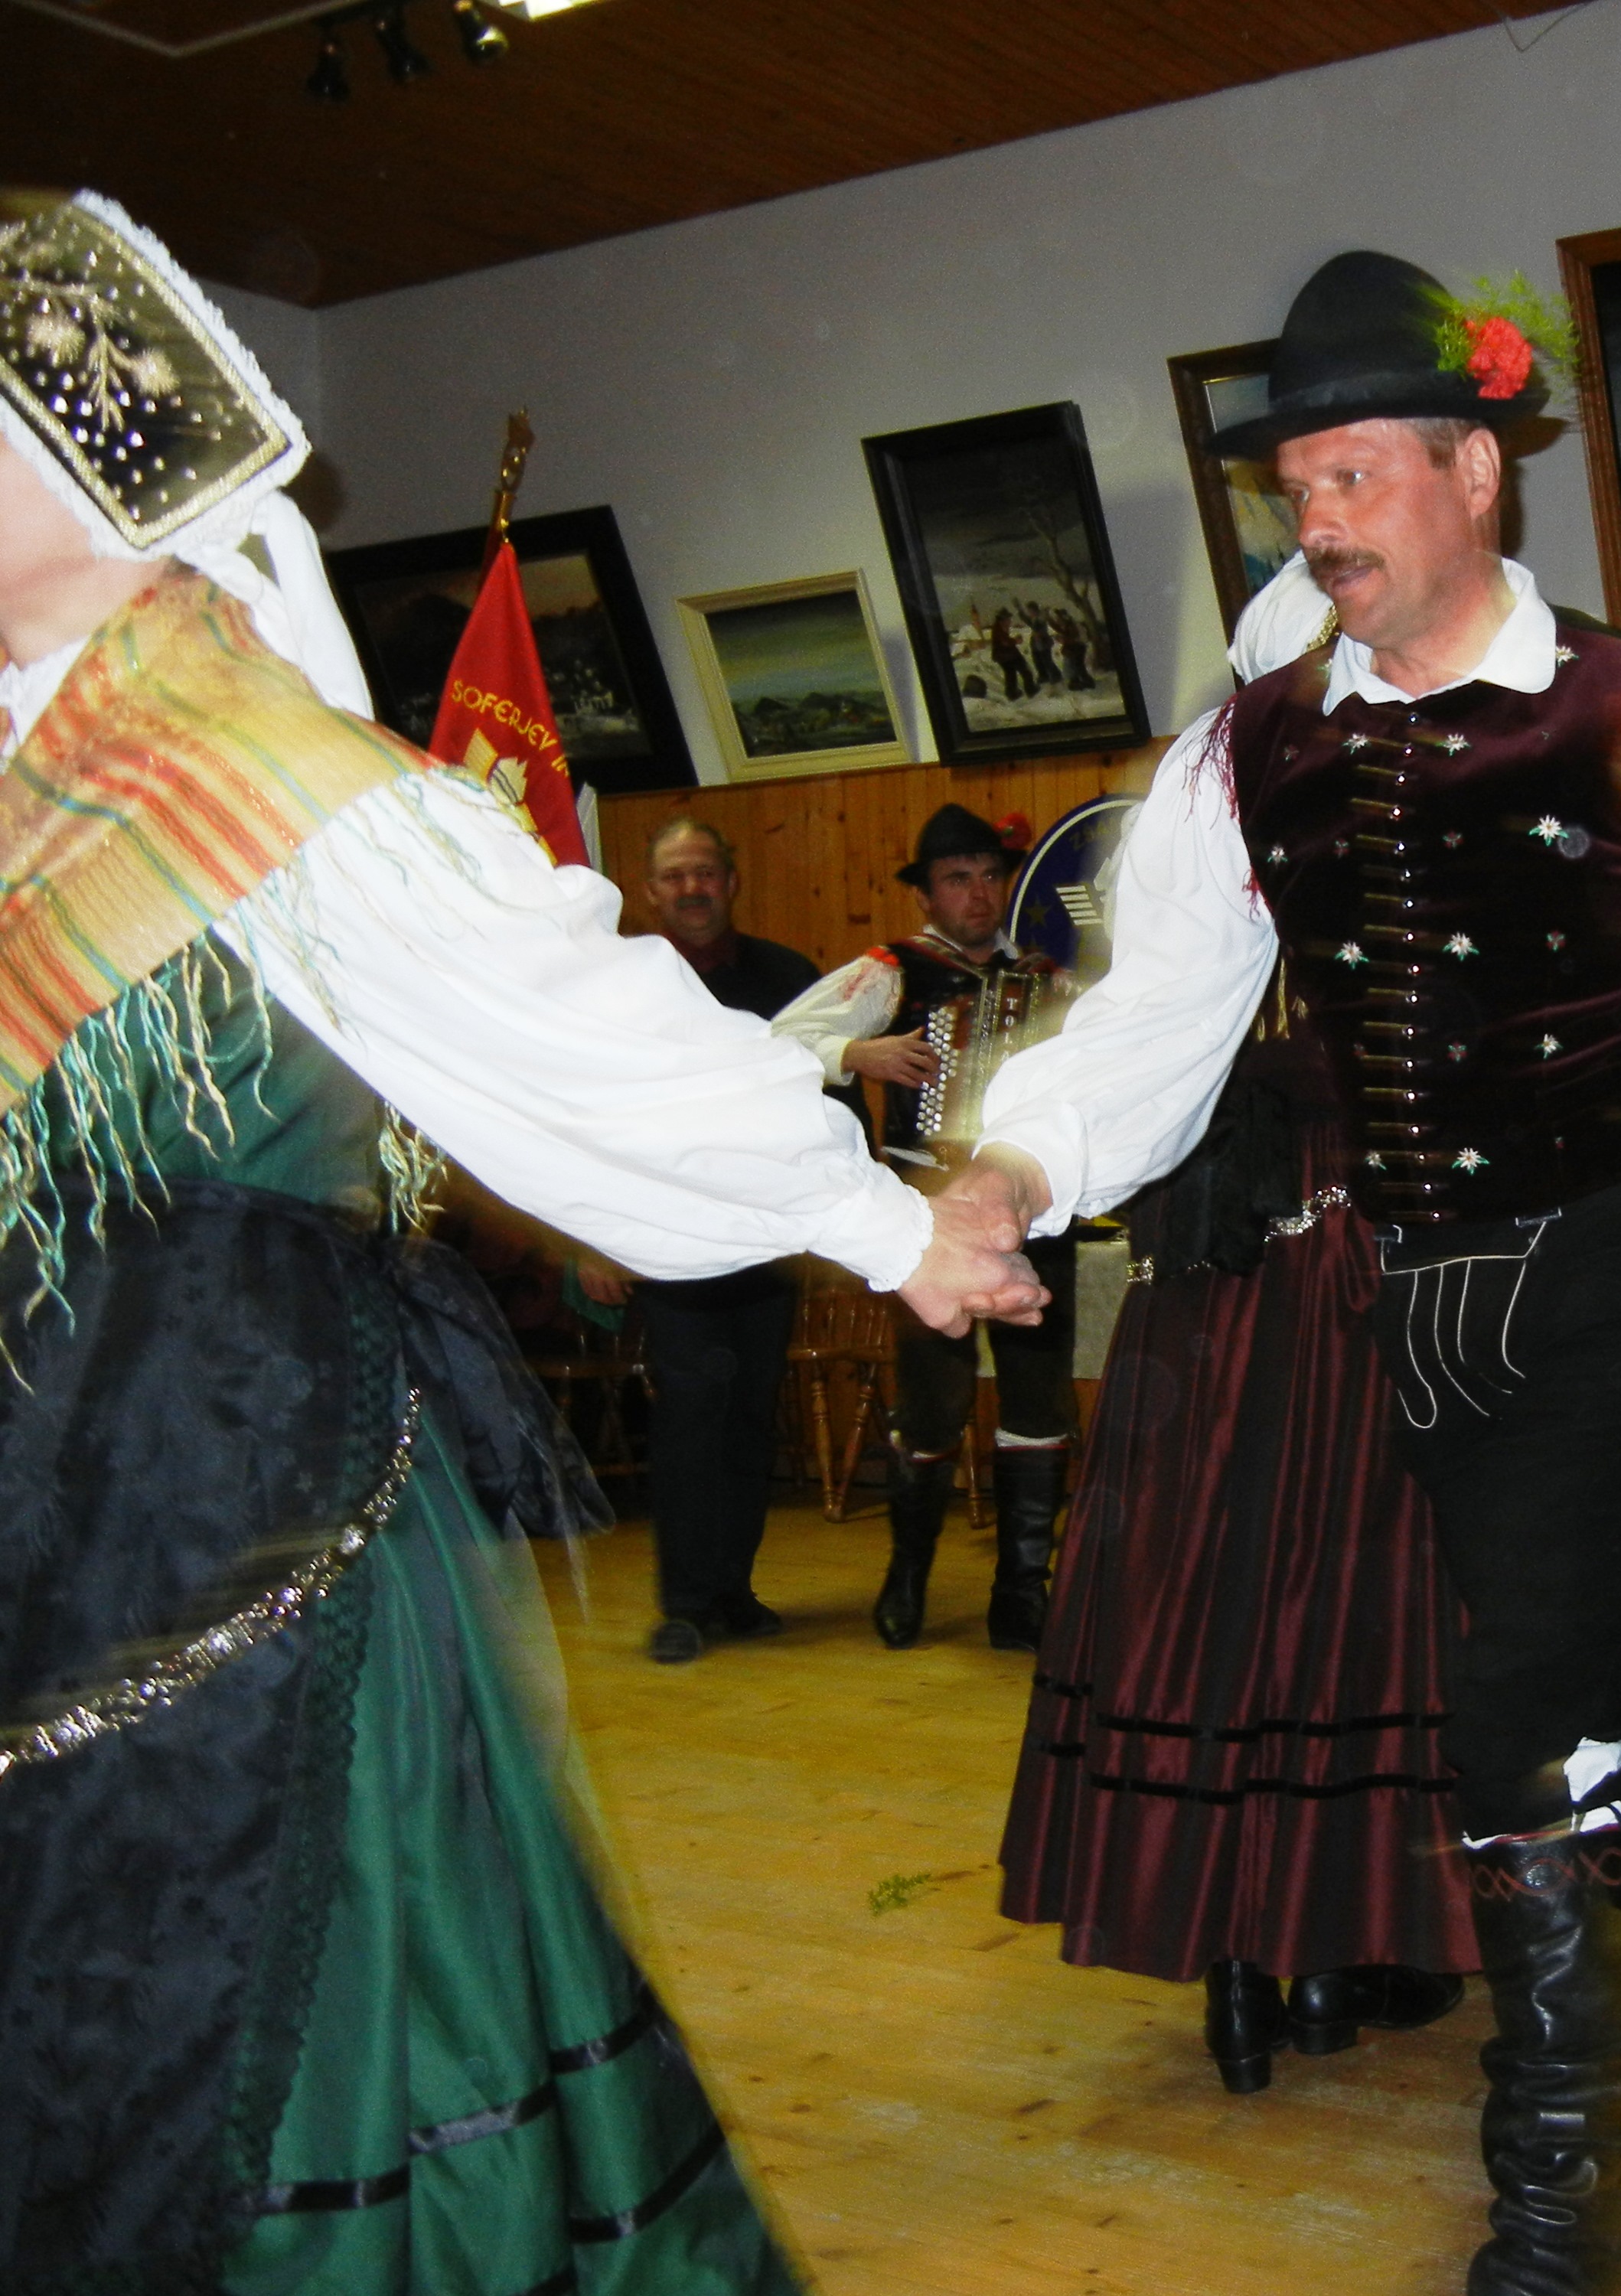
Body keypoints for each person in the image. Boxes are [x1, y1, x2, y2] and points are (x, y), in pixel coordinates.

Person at [0, 188, 1031, 2296]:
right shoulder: (41, 758)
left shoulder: (251, 770)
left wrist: (871, 1219)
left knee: (275, 1996)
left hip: (230, 1500)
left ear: (95, 464)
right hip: (52, 1506)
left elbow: (562, 1015)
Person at [961, 249, 1621, 2294]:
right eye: (1297, 488)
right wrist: (1017, 1163)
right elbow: (1159, 1017)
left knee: (1511, 1719)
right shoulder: (1247, 753)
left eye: (1356, 476)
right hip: (1423, 1289)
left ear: (1474, 471)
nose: (1320, 522)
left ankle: (1552, 2213)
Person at [1000, 530, 1621, 2098]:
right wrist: (1013, 1169)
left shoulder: (1586, 728)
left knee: (1498, 1689)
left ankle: (1537, 2145)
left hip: (1535, 1265)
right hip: (1357, 1284)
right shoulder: (1244, 786)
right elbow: (1150, 1023)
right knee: (1557, 1663)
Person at [773, 805, 1080, 1652]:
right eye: (956, 878)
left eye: (988, 876)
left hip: (1033, 1207)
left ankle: (1021, 1591)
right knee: (932, 1398)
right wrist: (855, 1055)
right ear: (927, 894)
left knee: (1039, 1396)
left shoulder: (1048, 978)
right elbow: (779, 1041)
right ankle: (906, 1575)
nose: (977, 894)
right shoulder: (892, 971)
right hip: (925, 1213)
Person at [581, 817, 824, 1664]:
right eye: (675, 876)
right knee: (691, 1419)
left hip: (766, 1240)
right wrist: (592, 1236)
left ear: (732, 879)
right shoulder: (620, 989)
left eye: (706, 872)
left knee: (751, 1418)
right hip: (669, 1241)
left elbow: (824, 1103)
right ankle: (685, 1604)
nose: (692, 889)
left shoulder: (788, 979)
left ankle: (732, 1592)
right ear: (650, 892)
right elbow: (590, 1118)